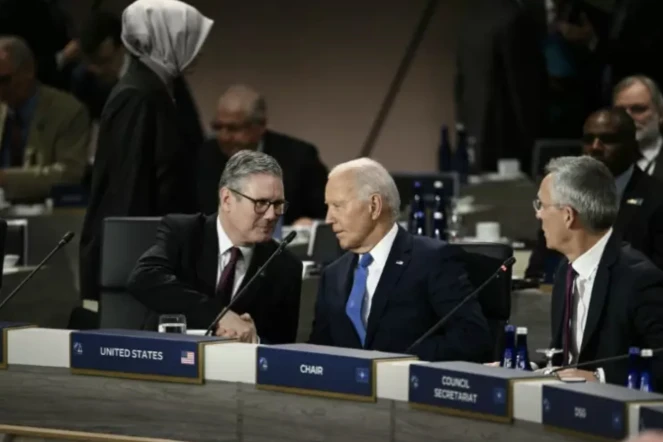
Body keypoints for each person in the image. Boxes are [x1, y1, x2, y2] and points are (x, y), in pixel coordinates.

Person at [79, 0, 213, 302]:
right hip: (140, 266)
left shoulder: (160, 87)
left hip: (161, 254)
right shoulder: (138, 96)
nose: (199, 49)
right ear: (165, 39)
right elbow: (127, 192)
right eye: (189, 38)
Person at [309, 158, 492, 362]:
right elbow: (319, 353)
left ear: (374, 206)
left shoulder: (433, 260)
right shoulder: (333, 275)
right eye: (328, 207)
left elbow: (473, 340)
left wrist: (398, 359)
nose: (328, 219)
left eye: (338, 206)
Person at [128, 150, 302, 343]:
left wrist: (256, 340)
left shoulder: (285, 266)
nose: (271, 215)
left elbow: (283, 346)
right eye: (261, 203)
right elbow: (144, 278)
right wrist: (217, 315)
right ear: (227, 199)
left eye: (278, 204)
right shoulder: (184, 233)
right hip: (169, 362)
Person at [534, 156, 663, 389]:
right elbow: (567, 363)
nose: (538, 215)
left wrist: (602, 379)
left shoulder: (639, 279)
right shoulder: (566, 271)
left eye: (541, 205)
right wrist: (524, 370)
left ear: (568, 215)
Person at [526, 107, 663, 278]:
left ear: (632, 144)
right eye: (588, 139)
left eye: (608, 139)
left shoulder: (656, 198)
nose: (595, 147)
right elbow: (540, 266)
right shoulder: (562, 195)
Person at [196, 84, 328, 226]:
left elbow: (326, 214)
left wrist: (311, 224)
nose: (224, 137)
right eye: (218, 127)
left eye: (233, 129)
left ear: (260, 126)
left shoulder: (300, 158)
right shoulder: (203, 157)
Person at [0, 36, 89, 201]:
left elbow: (69, 174)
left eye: (4, 80)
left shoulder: (68, 111)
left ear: (29, 70)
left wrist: (5, 179)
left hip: (46, 214)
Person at [613, 75, 663, 179]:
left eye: (638, 109)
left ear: (660, 114)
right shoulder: (600, 163)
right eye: (620, 111)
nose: (628, 117)